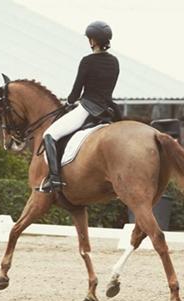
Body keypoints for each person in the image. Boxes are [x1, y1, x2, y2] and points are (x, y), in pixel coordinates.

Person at [38, 20, 122, 193]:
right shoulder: (114, 61)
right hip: (109, 110)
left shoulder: (87, 61)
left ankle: (54, 179)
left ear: (92, 41)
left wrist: (69, 102)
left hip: (87, 108)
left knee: (49, 135)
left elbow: (77, 91)